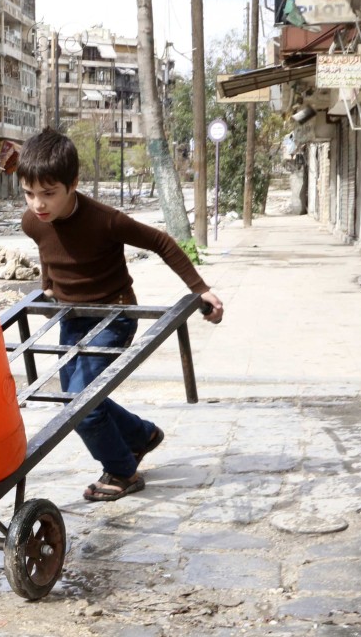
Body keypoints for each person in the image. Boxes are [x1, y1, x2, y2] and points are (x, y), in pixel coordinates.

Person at [16, 127, 224, 502]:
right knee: (76, 397)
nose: (38, 205)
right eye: (29, 193)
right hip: (73, 317)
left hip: (115, 314)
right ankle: (140, 435)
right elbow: (48, 250)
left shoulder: (104, 220)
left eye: (48, 194)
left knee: (81, 404)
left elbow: (160, 241)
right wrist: (48, 285)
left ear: (73, 184)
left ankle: (123, 472)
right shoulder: (32, 221)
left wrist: (199, 288)